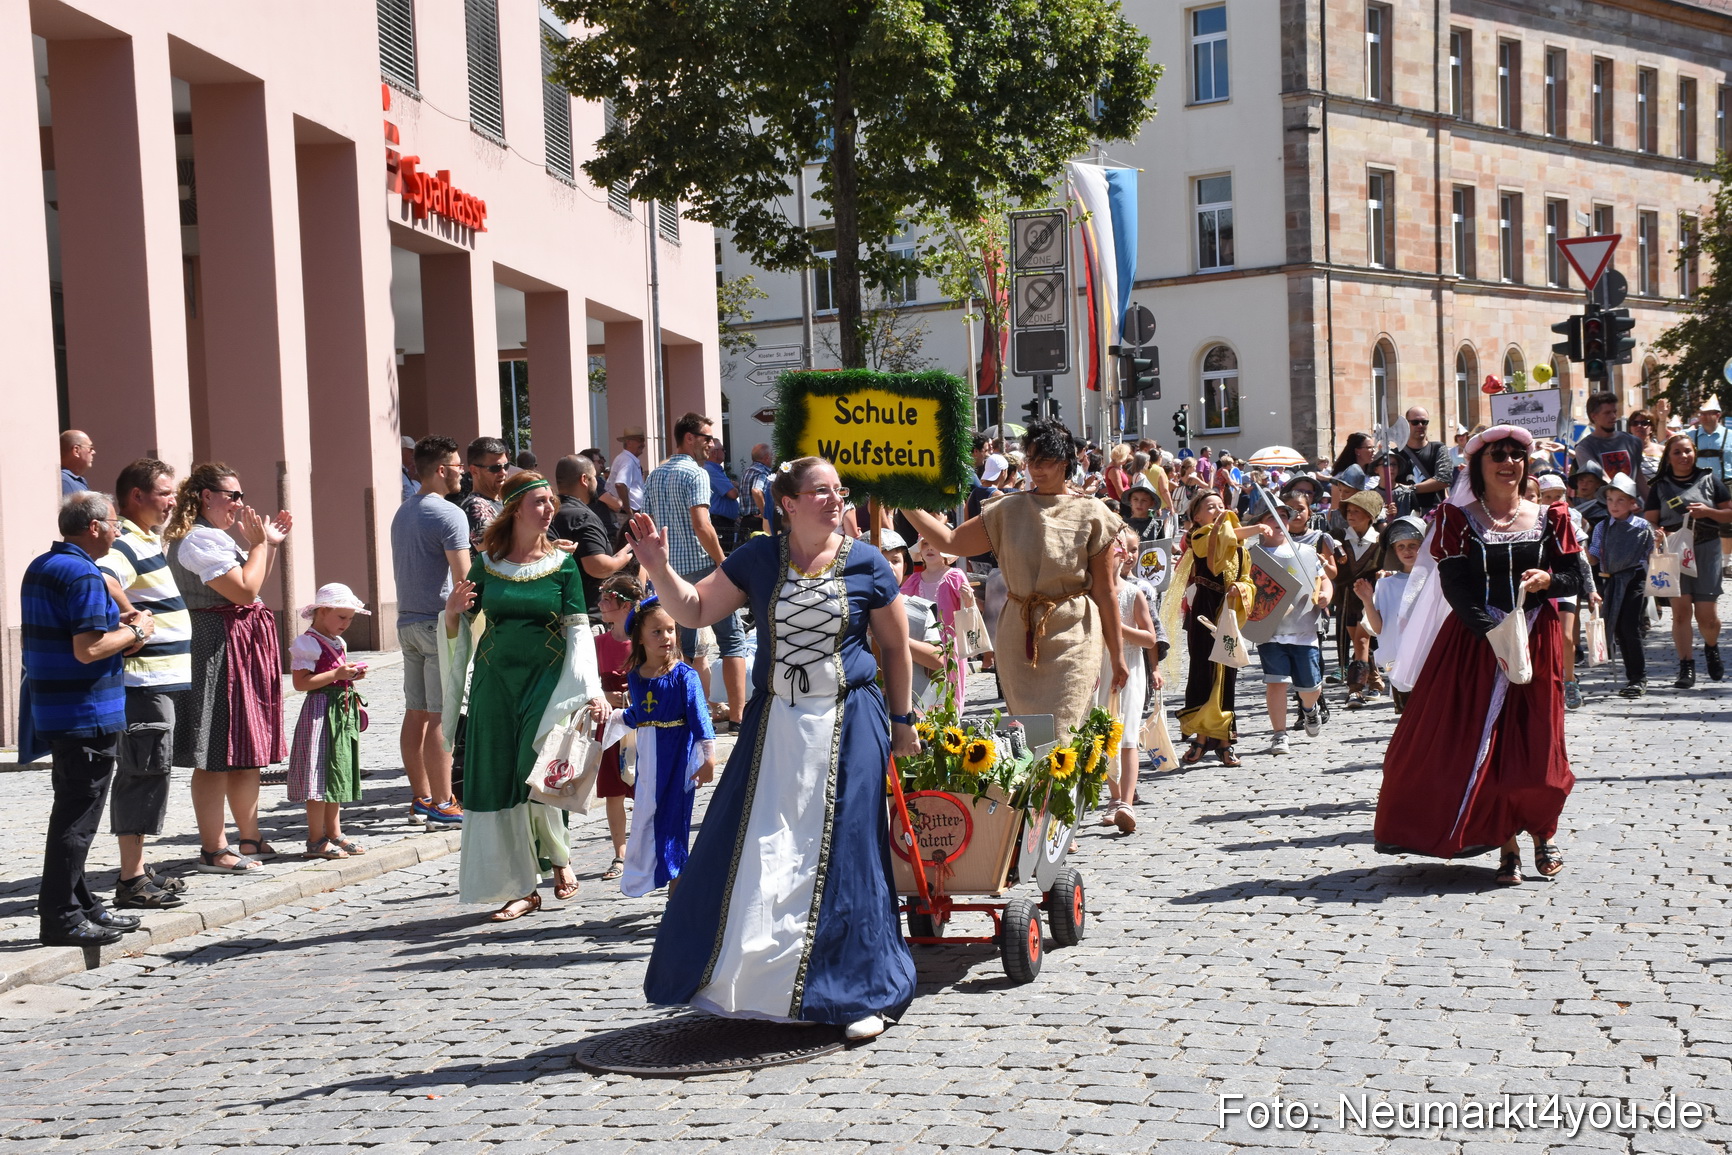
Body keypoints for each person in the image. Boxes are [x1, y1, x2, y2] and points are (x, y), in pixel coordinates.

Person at [631, 456, 918, 1041]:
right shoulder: (759, 558)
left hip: (850, 717)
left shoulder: (865, 563)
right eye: (821, 491)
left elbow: (896, 648)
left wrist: (903, 719)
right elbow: (695, 609)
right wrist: (659, 567)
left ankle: (858, 993)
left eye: (839, 489)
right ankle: (751, 984)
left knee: (849, 849)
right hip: (776, 723)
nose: (835, 499)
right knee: (757, 844)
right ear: (788, 503)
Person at [1376, 425, 1583, 885]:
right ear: (1479, 466)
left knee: (1539, 742)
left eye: (1516, 455)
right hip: (1475, 642)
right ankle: (1506, 846)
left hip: (1536, 638)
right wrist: (1493, 632)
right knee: (1479, 743)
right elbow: (1455, 584)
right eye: (1499, 456)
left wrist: (1549, 582)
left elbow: (1575, 579)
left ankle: (1541, 833)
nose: (1509, 462)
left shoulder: (1552, 517)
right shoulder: (1457, 518)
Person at [440, 472, 609, 921]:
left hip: (548, 683)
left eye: (551, 501)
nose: (549, 509)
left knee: (534, 773)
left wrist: (588, 690)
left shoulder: (564, 565)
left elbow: (579, 632)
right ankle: (521, 887)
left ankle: (558, 855)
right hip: (494, 685)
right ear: (515, 509)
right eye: (539, 502)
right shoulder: (486, 564)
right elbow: (462, 626)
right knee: (500, 779)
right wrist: (452, 613)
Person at [902, 420, 1127, 737]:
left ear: (1065, 463)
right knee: (1028, 734)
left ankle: (1062, 786)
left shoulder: (1092, 513)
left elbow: (1105, 593)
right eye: (1032, 460)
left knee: (1064, 732)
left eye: (1046, 461)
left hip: (1073, 633)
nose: (1037, 469)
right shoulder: (1006, 509)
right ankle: (1035, 788)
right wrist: (904, 499)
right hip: (1017, 634)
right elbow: (950, 543)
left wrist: (1118, 657)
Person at [24, 491, 156, 946]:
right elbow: (88, 649)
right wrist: (136, 631)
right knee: (77, 819)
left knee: (72, 811)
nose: (119, 531)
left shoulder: (45, 564)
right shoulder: (82, 573)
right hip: (86, 711)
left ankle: (81, 904)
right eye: (115, 523)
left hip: (60, 707)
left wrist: (123, 633)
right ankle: (61, 916)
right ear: (95, 526)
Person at [164, 463, 292, 873]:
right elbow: (245, 590)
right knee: (215, 751)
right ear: (205, 496)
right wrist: (258, 545)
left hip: (239, 644)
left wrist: (265, 545)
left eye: (241, 495)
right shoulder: (196, 539)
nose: (240, 503)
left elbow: (253, 586)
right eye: (232, 496)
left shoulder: (215, 537)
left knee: (246, 748)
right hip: (215, 647)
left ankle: (250, 838)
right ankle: (213, 848)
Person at [96, 460, 192, 910]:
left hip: (157, 681)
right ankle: (131, 880)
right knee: (144, 772)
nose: (172, 501)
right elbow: (104, 575)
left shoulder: (147, 538)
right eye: (164, 493)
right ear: (136, 496)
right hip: (142, 683)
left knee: (150, 770)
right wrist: (130, 615)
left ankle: (137, 867)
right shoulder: (127, 541)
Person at [643, 413, 747, 729]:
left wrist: (652, 569)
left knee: (682, 646)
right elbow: (702, 526)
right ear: (689, 438)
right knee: (733, 640)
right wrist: (723, 563)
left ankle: (688, 714)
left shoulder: (655, 475)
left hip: (669, 573)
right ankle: (739, 717)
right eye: (707, 438)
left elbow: (646, 525)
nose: (711, 444)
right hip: (701, 569)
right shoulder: (695, 473)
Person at [612, 597, 715, 897]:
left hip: (677, 756)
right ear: (640, 638)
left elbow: (700, 718)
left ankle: (677, 883)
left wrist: (707, 758)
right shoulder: (636, 677)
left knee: (674, 815)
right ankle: (648, 875)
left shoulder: (685, 676)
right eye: (656, 631)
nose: (666, 637)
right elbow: (641, 716)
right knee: (647, 816)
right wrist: (614, 716)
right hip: (649, 762)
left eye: (670, 630)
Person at [390, 436, 468, 828]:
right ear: (440, 469)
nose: (461, 470)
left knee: (416, 712)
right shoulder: (449, 514)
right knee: (442, 714)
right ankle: (443, 800)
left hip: (406, 622)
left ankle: (421, 797)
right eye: (456, 464)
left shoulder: (403, 511)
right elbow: (464, 579)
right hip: (439, 623)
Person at [1170, 490, 1259, 766]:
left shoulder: (1242, 551)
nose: (1218, 509)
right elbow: (1220, 538)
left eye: (1221, 505)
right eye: (1210, 507)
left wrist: (1240, 588)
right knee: (1204, 672)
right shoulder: (1198, 537)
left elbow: (1248, 580)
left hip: (1228, 613)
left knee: (1227, 674)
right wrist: (1258, 526)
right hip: (1205, 613)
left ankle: (1225, 741)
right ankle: (1200, 737)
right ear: (1196, 517)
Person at [287, 584, 371, 860]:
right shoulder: (308, 643)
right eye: (341, 617)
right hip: (320, 712)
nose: (346, 624)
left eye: (350, 619)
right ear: (322, 611)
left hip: (340, 711)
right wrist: (337, 674)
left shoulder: (338, 642)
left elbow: (337, 674)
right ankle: (315, 839)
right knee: (318, 774)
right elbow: (301, 683)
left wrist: (349, 676)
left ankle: (334, 831)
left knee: (336, 772)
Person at [1645, 433, 1732, 687]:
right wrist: (1659, 533)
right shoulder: (1659, 486)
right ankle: (1686, 666)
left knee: (1707, 615)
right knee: (1681, 613)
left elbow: (1729, 513)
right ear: (1668, 458)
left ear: (1694, 452)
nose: (1684, 456)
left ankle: (1711, 646)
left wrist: (1709, 512)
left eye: (1687, 451)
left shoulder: (1709, 479)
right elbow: (1650, 520)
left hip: (1706, 548)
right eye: (1677, 452)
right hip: (1674, 551)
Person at [1248, 495, 1332, 752]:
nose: (1278, 522)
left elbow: (1324, 580)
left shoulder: (1306, 552)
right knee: (1276, 682)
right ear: (1260, 524)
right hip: (1270, 630)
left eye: (1283, 517)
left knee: (1310, 686)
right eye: (1271, 518)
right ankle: (1279, 733)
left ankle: (1309, 709)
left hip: (1305, 628)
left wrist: (1326, 594)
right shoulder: (1252, 555)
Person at [1097, 529, 1158, 831]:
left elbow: (1149, 638)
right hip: (1099, 667)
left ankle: (1127, 803)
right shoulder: (1090, 594)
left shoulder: (1134, 594)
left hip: (1131, 666)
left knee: (1128, 735)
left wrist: (1119, 628)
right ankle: (1113, 797)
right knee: (1106, 733)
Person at [592, 573, 644, 882]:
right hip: (611, 726)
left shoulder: (644, 640)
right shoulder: (597, 642)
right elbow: (587, 684)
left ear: (623, 605)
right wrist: (601, 695)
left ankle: (645, 846)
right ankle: (620, 852)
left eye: (605, 600)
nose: (599, 604)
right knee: (614, 791)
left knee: (643, 787)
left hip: (642, 724)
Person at [1590, 473, 1653, 698]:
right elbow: (1594, 555)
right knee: (1617, 629)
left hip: (1634, 580)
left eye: (1620, 500)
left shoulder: (1642, 527)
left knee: (1629, 627)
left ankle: (1639, 677)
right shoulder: (1601, 528)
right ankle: (1632, 677)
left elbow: (1651, 555)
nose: (1614, 505)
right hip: (1610, 581)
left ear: (1632, 503)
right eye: (1610, 500)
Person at [551, 454, 635, 614]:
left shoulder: (547, 512)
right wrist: (622, 558)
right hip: (585, 615)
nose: (598, 483)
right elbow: (597, 567)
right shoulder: (583, 517)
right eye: (595, 478)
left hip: (554, 611)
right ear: (584, 479)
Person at [1357, 515, 1424, 715]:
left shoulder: (1437, 581)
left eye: (1413, 545)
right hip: (1400, 662)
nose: (1407, 551)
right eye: (1401, 546)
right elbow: (1378, 629)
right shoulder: (1386, 585)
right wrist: (1367, 601)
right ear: (1394, 550)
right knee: (1408, 719)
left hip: (1431, 661)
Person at [900, 537, 974, 712]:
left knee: (950, 687)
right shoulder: (914, 579)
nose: (930, 548)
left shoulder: (955, 576)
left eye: (936, 544)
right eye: (925, 544)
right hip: (924, 642)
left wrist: (969, 600)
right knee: (923, 685)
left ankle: (951, 721)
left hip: (948, 643)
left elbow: (967, 611)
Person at [1333, 488, 1387, 706]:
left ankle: (1355, 689)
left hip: (1369, 599)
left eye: (1357, 511)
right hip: (1346, 599)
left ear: (1370, 517)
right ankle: (1374, 678)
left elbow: (1387, 566)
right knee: (1358, 642)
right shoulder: (1337, 537)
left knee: (1362, 640)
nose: (1350, 515)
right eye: (1349, 510)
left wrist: (1382, 574)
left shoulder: (1381, 541)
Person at [1575, 392, 1647, 498]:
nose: (1613, 416)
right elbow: (1603, 479)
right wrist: (1625, 501)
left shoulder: (1633, 441)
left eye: (1614, 412)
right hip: (1605, 509)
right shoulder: (1584, 448)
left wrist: (1652, 506)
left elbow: (1639, 478)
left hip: (1634, 506)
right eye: (1607, 413)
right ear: (1594, 416)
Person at [1390, 407, 1450, 515]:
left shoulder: (1438, 448)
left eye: (1424, 422)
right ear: (1406, 425)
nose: (1420, 426)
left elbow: (1444, 479)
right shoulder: (1395, 454)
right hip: (1405, 514)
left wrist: (1410, 488)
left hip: (1434, 514)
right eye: (1415, 422)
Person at [455, 436, 509, 550]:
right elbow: (496, 551)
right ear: (474, 471)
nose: (503, 472)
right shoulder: (475, 506)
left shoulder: (504, 502)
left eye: (506, 466)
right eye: (495, 468)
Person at [702, 440, 741, 549]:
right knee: (722, 556)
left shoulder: (715, 469)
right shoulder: (711, 470)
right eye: (723, 450)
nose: (725, 452)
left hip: (723, 521)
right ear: (714, 453)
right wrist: (735, 487)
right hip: (719, 522)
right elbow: (733, 494)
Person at [610, 426, 648, 515]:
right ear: (629, 442)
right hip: (628, 513)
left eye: (643, 441)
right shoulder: (628, 461)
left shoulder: (626, 459)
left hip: (629, 512)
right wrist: (629, 513)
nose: (643, 444)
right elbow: (620, 484)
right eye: (640, 441)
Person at [741, 443, 775, 537]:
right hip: (758, 522)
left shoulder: (748, 471)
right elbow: (756, 491)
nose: (773, 458)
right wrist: (765, 514)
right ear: (767, 457)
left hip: (746, 520)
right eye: (772, 455)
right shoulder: (762, 472)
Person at [60, 430, 95, 496]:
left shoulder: (72, 480)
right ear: (76, 450)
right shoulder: (64, 482)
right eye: (90, 448)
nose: (93, 452)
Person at [400, 435, 418, 501]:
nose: (413, 454)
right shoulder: (398, 473)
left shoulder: (405, 473)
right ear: (401, 451)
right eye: (410, 451)